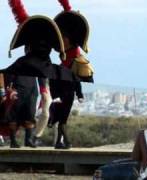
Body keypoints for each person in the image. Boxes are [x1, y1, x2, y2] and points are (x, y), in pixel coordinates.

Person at [2, 0, 71, 148]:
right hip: (19, 87)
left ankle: (29, 140)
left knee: (29, 113)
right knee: (14, 114)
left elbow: (43, 75)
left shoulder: (44, 65)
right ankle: (14, 141)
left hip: (31, 87)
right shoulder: (22, 63)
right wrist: (10, 89)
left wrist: (44, 90)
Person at [48, 0, 94, 149]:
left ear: (68, 40)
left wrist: (79, 94)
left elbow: (79, 80)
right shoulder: (63, 62)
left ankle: (63, 142)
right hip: (60, 95)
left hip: (67, 95)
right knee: (62, 119)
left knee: (63, 120)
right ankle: (61, 142)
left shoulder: (79, 62)